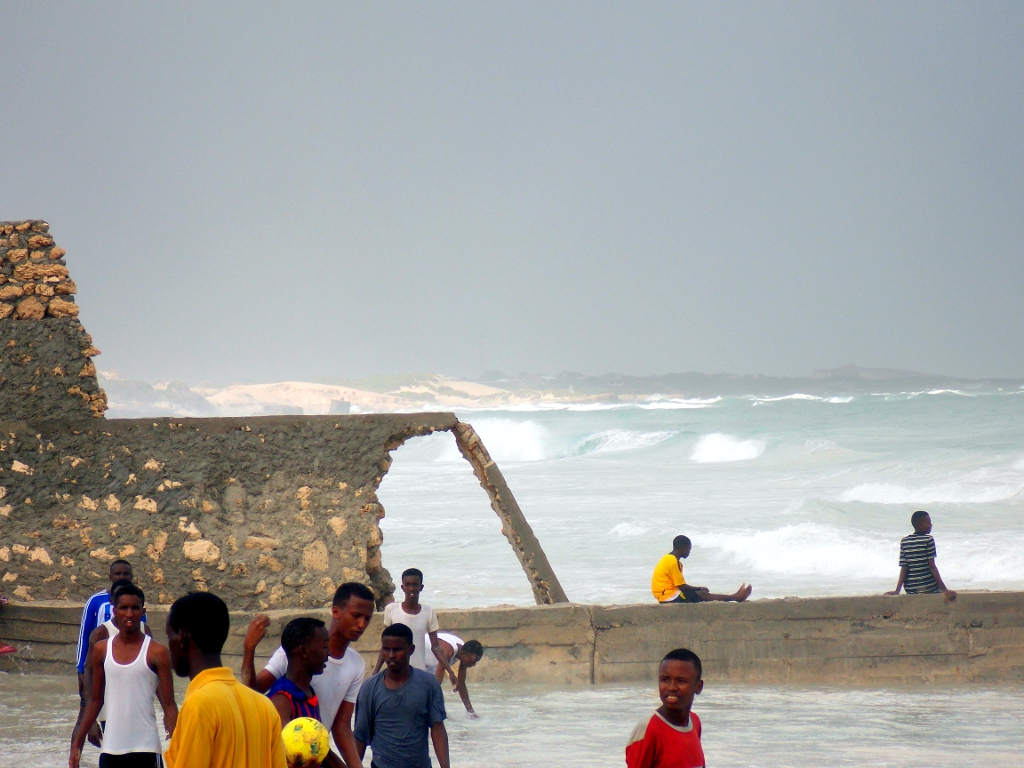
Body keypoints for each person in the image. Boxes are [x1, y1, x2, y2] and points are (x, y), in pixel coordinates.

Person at [242, 582, 376, 768]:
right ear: (336, 612)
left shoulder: (356, 664)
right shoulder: (292, 654)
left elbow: (341, 726)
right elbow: (252, 693)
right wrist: (249, 649)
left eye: (367, 619)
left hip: (315, 752)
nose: (361, 624)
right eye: (356, 616)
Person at [164, 592, 286, 768]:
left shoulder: (199, 706)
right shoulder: (265, 706)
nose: (169, 646)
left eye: (169, 637)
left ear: (182, 638)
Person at [70, 584, 177, 768]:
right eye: (124, 608)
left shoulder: (157, 652)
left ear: (143, 611)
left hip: (147, 748)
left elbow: (169, 703)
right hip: (111, 749)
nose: (129, 614)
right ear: (115, 611)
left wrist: (178, 739)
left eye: (135, 608)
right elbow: (95, 701)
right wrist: (76, 745)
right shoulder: (101, 650)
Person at [354, 624, 449, 768]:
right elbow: (360, 737)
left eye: (397, 649)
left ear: (411, 650)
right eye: (386, 649)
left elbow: (437, 728)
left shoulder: (428, 684)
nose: (391, 655)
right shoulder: (369, 689)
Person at [373, 569, 457, 685]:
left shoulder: (428, 612)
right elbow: (385, 644)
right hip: (395, 673)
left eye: (415, 585)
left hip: (418, 674)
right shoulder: (391, 610)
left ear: (421, 587)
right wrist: (376, 672)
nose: (411, 589)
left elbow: (436, 647)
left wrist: (450, 671)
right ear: (402, 588)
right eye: (408, 585)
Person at [625, 648, 706, 768]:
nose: (671, 687)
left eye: (681, 681)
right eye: (665, 679)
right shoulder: (649, 729)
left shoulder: (694, 722)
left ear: (698, 687)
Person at [267, 617, 330, 726]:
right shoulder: (282, 700)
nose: (329, 653)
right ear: (303, 651)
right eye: (325, 647)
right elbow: (282, 742)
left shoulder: (308, 692)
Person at [651, 536, 751, 604]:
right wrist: (698, 588)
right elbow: (682, 586)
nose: (689, 552)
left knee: (699, 594)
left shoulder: (672, 560)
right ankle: (736, 597)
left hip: (667, 595)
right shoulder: (672, 561)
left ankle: (735, 596)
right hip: (668, 597)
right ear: (683, 548)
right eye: (689, 549)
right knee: (701, 594)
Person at [885, 511, 957, 602]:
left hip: (911, 589)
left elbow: (904, 567)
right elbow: (932, 566)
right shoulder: (928, 540)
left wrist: (897, 591)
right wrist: (945, 590)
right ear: (920, 525)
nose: (931, 525)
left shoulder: (904, 541)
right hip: (929, 588)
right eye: (929, 522)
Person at [424, 634, 484, 718]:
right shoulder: (449, 650)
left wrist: (471, 712)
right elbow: (438, 680)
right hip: (417, 652)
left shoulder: (463, 651)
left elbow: (461, 683)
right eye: (473, 661)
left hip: (429, 662)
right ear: (464, 654)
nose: (474, 664)